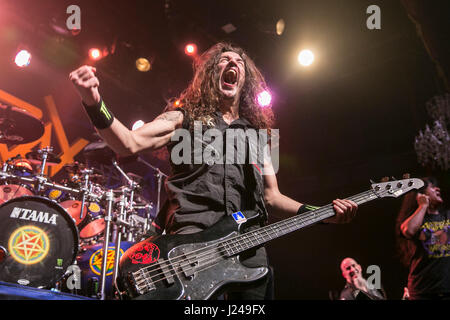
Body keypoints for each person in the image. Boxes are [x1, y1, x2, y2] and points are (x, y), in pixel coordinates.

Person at [69, 42, 358, 300]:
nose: (232, 63)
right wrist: (93, 102)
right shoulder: (183, 118)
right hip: (192, 245)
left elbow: (272, 197)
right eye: (224, 60)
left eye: (239, 62)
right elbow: (128, 143)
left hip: (248, 251)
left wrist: (321, 214)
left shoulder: (259, 136)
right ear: (210, 73)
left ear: (245, 79)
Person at [396, 176, 450, 300]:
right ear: (421, 194)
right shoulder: (418, 219)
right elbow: (408, 231)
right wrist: (423, 206)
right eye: (432, 186)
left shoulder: (447, 215)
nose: (437, 188)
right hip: (423, 291)